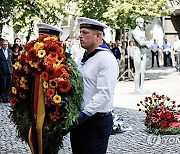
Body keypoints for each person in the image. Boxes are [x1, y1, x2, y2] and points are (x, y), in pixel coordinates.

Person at [70, 17, 119, 154]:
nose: (80, 35)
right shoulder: (83, 57)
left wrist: (83, 115)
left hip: (95, 120)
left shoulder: (106, 58)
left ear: (98, 35)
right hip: (80, 120)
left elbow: (104, 93)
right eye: (80, 31)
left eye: (85, 32)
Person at [132, 17, 150, 93]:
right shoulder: (134, 32)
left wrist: (146, 43)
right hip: (137, 51)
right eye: (140, 22)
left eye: (142, 22)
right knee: (138, 70)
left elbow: (143, 42)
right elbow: (141, 42)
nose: (142, 24)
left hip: (143, 51)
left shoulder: (142, 32)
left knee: (143, 71)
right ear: (137, 23)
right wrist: (147, 43)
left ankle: (141, 87)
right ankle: (137, 88)